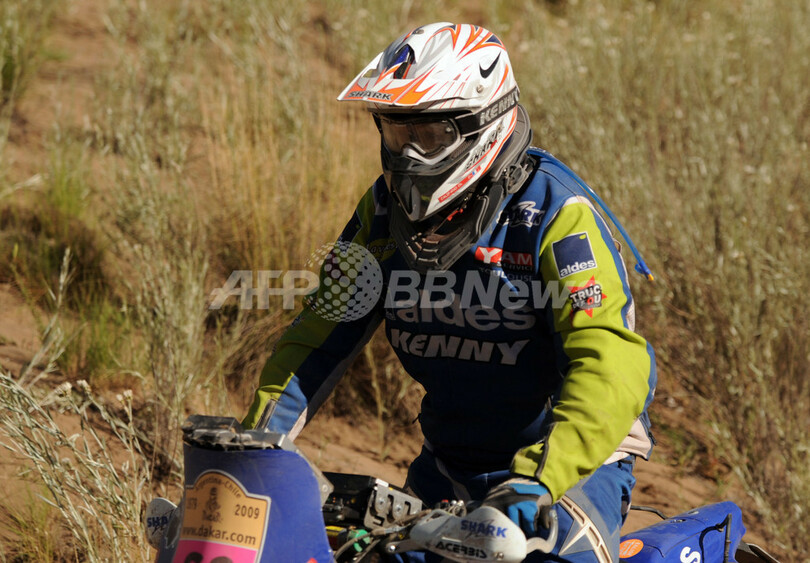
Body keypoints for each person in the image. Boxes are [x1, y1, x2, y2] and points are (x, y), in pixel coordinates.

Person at [242, 22, 657, 563]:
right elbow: (317, 339)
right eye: (397, 134)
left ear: (484, 123)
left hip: (574, 461)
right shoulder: (382, 212)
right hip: (452, 458)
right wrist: (255, 449)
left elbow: (609, 365)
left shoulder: (557, 214)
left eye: (430, 135)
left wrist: (539, 479)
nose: (409, 156)